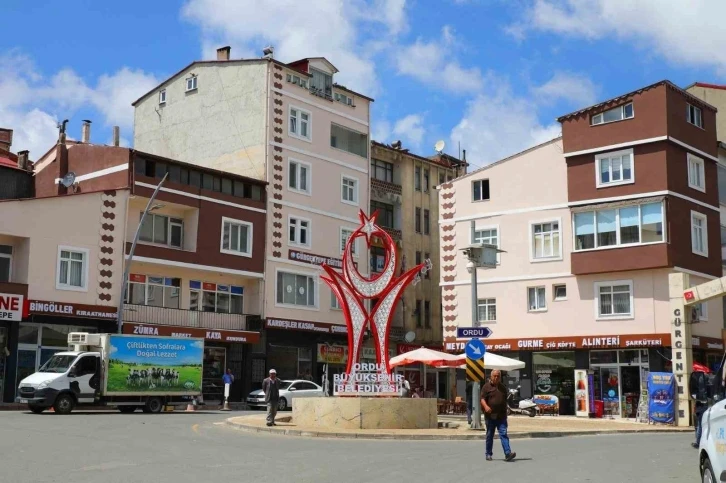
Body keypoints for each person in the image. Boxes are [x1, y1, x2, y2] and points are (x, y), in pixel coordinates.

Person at [481, 369, 516, 462]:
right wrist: (486, 406)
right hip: (490, 416)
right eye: (495, 376)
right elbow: (482, 399)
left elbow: (505, 401)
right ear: (491, 376)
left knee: (503, 434)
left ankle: (508, 453)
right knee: (489, 435)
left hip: (501, 416)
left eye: (498, 376)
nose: (496, 377)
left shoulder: (503, 387)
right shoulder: (486, 387)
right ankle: (488, 454)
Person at [690, 370, 711, 448]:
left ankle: (698, 442)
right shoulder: (707, 386)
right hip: (704, 406)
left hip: (701, 407)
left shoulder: (700, 388)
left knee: (700, 425)